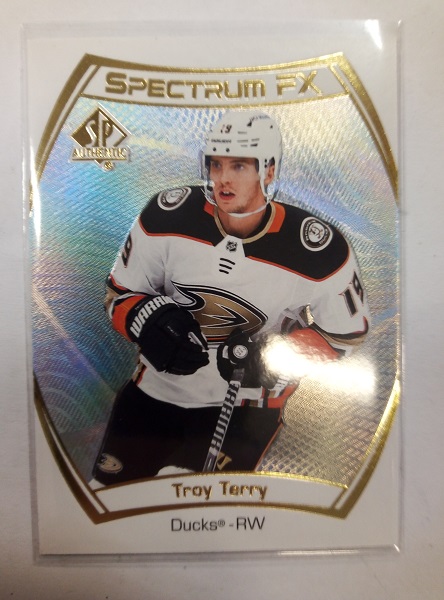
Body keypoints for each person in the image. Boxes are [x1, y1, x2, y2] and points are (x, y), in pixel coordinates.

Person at [92, 110, 370, 485]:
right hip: (155, 393)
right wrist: (147, 320)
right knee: (107, 496)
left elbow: (343, 337)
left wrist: (278, 355)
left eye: (238, 165)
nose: (222, 177)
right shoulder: (165, 217)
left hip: (245, 406)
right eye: (216, 164)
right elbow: (119, 294)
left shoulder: (317, 249)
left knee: (200, 500)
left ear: (268, 171)